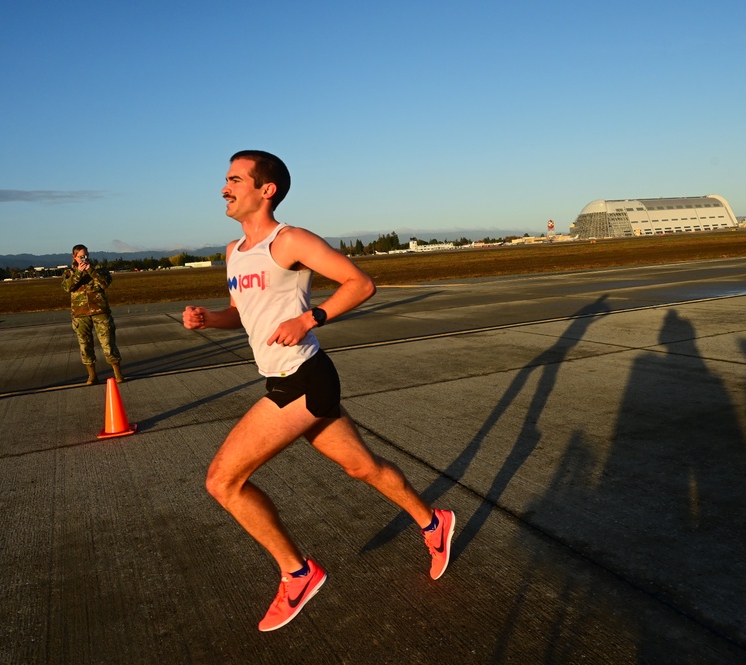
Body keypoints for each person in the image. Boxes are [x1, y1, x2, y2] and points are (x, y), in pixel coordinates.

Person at [183, 150, 456, 632]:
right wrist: (210, 318)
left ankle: (297, 573)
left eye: (234, 180)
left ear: (265, 190)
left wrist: (310, 317)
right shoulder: (233, 251)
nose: (224, 188)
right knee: (361, 466)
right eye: (224, 180)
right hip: (288, 378)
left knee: (222, 481)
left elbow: (360, 283)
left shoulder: (290, 241)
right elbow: (241, 314)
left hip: (303, 380)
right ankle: (435, 523)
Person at [61, 245, 125, 385]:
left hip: (100, 312)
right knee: (85, 346)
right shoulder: (69, 272)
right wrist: (78, 273)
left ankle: (117, 372)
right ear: (74, 257)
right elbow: (67, 287)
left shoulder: (99, 269)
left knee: (108, 344)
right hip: (80, 314)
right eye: (80, 256)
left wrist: (90, 270)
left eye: (85, 256)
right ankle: (92, 375)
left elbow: (104, 283)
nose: (83, 259)